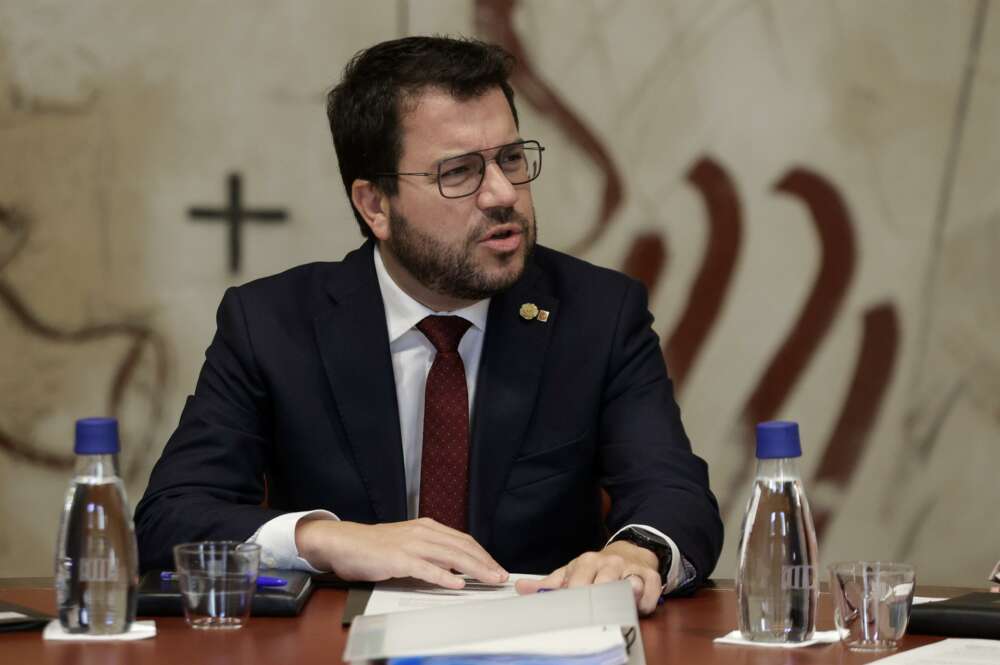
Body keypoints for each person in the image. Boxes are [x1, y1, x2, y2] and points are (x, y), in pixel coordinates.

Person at [134, 35, 723, 615]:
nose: (502, 194)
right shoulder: (273, 323)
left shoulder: (597, 313)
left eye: (512, 159)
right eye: (459, 173)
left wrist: (637, 552)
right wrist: (328, 539)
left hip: (540, 642)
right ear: (375, 205)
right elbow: (171, 517)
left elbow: (673, 492)